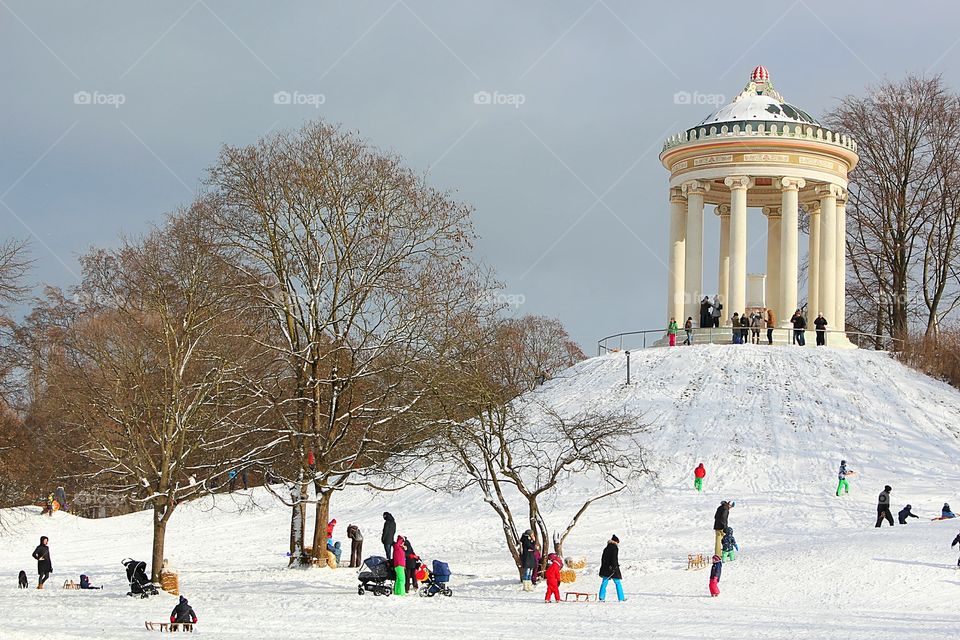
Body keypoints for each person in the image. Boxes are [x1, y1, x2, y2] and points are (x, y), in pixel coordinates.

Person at [598, 535, 624, 602]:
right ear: (616, 542)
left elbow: (603, 559)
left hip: (605, 568)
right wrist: (615, 567)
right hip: (612, 569)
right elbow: (614, 559)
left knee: (604, 582)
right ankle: (621, 598)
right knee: (617, 582)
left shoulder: (606, 548)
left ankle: (601, 597)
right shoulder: (615, 548)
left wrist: (605, 567)